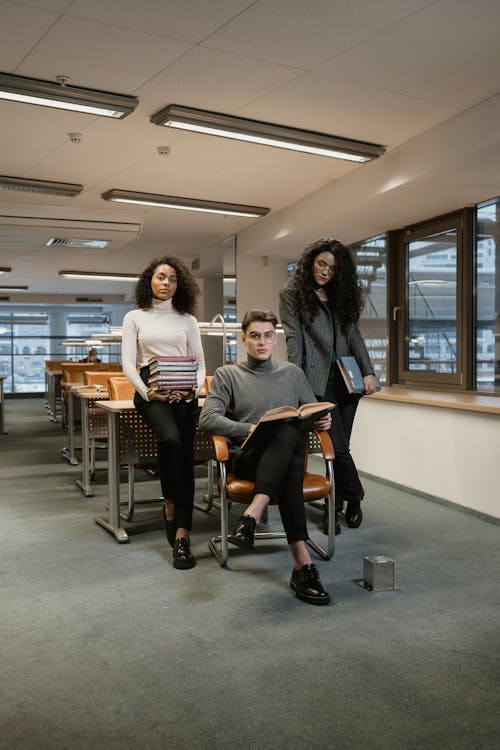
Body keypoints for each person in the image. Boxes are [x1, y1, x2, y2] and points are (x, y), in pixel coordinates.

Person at [199, 309, 332, 606]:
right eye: (255, 336)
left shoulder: (293, 374)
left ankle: (253, 517)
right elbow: (207, 419)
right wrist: (252, 428)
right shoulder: (227, 375)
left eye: (268, 336)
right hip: (247, 459)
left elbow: (310, 413)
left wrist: (321, 421)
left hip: (282, 462)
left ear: (276, 339)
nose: (262, 342)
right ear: (244, 339)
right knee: (285, 437)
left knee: (288, 434)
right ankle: (302, 567)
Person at [279, 238, 376, 534]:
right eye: (321, 264)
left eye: (332, 269)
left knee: (339, 447)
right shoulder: (292, 292)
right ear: (310, 261)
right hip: (317, 379)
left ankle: (338, 504)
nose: (325, 272)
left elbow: (354, 335)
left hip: (348, 378)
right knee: (336, 446)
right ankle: (352, 496)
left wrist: (369, 371)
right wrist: (297, 381)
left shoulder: (340, 293)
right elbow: (293, 338)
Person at [122, 256, 206, 569]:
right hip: (151, 389)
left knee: (185, 455)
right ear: (150, 281)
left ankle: (183, 533)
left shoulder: (188, 320)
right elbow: (129, 364)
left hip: (183, 389)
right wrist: (146, 392)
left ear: (178, 284)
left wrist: (193, 390)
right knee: (170, 440)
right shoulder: (135, 317)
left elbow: (199, 364)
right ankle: (170, 502)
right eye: (160, 277)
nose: (166, 283)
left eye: (171, 278)